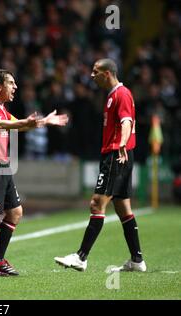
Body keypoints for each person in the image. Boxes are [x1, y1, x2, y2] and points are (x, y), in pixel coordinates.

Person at [0, 69, 69, 277]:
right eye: (11, 83)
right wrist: (25, 122)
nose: (15, 87)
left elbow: (19, 126)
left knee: (15, 212)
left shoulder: (1, 109)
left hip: (2, 166)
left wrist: (44, 122)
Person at [54, 58, 146, 272]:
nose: (91, 76)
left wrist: (121, 144)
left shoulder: (121, 94)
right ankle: (137, 260)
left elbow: (126, 122)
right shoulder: (112, 95)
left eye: (95, 72)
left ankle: (81, 257)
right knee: (123, 208)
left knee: (96, 203)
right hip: (120, 155)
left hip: (117, 155)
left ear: (107, 73)